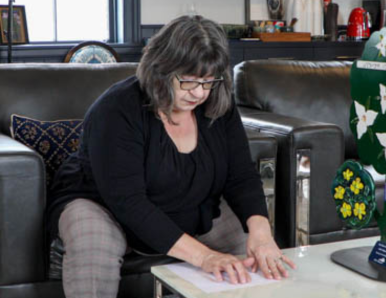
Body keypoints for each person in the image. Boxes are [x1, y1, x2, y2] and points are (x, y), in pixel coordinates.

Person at [46, 15, 295, 298]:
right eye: (188, 81)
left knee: (251, 251)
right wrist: (204, 257)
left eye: (208, 81)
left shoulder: (217, 103)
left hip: (188, 205)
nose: (199, 93)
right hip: (105, 206)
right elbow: (129, 203)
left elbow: (241, 176)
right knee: (92, 239)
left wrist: (261, 233)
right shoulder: (117, 110)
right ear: (161, 68)